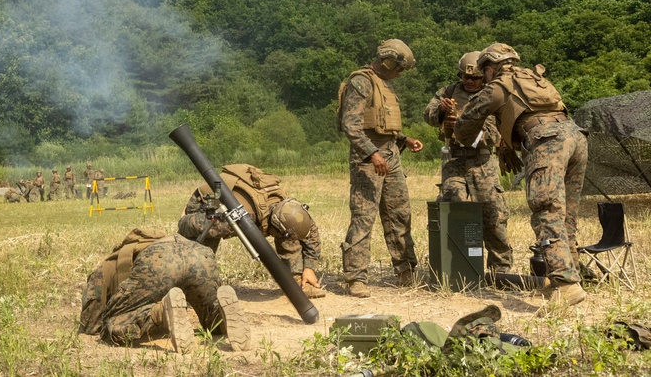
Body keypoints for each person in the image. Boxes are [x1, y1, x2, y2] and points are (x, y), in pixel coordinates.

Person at [454, 43, 588, 306]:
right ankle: (567, 277)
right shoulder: (535, 78)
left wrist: (466, 134)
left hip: (547, 141)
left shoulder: (497, 86)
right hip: (576, 138)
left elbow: (465, 126)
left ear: (490, 69)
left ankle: (565, 284)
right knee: (566, 214)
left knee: (546, 210)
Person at [337, 39, 423, 298]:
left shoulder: (385, 84)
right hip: (368, 159)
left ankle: (406, 270)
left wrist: (403, 139)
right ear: (387, 62)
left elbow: (382, 124)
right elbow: (350, 125)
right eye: (399, 68)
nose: (400, 73)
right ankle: (356, 278)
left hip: (391, 155)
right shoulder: (361, 82)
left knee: (399, 214)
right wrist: (372, 153)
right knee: (364, 217)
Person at [80, 230, 250, 352]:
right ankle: (220, 310)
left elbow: (90, 323)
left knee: (112, 326)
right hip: (199, 253)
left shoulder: (111, 262)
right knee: (211, 321)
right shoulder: (155, 241)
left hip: (159, 260)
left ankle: (160, 312)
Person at [177, 164, 325, 298]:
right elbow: (191, 224)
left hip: (249, 201)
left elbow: (310, 232)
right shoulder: (233, 220)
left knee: (290, 233)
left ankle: (297, 281)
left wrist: (309, 268)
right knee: (202, 251)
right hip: (208, 200)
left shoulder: (291, 211)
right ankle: (187, 289)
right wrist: (185, 219)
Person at [424, 51, 513, 273]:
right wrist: (442, 112)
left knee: (492, 214)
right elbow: (428, 115)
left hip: (482, 161)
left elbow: (495, 133)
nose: (469, 81)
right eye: (465, 76)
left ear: (484, 76)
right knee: (454, 209)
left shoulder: (492, 95)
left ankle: (500, 270)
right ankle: (459, 267)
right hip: (454, 159)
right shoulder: (448, 92)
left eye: (474, 78)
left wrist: (464, 130)